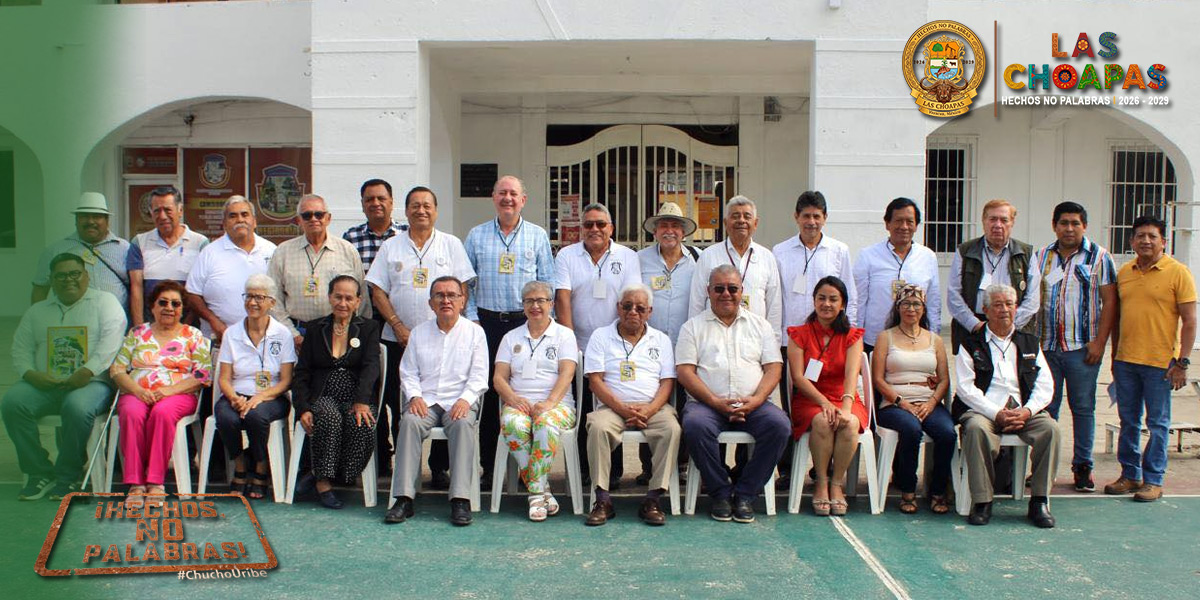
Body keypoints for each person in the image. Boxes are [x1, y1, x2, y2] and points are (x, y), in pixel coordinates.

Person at [367, 186, 476, 488]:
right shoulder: (391, 246)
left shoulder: (451, 244)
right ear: (406, 211)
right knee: (398, 402)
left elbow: (463, 286)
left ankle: (438, 468)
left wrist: (453, 322)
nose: (421, 210)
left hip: (444, 339)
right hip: (396, 337)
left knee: (446, 397)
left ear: (436, 211)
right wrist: (398, 325)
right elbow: (377, 289)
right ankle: (402, 469)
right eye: (415, 205)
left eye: (427, 205)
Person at [4, 253, 126, 500]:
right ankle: (39, 471)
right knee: (13, 403)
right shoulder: (38, 311)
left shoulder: (105, 302)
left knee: (77, 407)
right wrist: (31, 374)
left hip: (91, 382)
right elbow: (20, 348)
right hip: (44, 384)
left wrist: (87, 370)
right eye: (60, 276)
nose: (68, 280)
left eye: (74, 274)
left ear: (86, 276)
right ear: (51, 280)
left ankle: (68, 476)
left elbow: (112, 342)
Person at [677, 265, 789, 523]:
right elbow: (685, 372)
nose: (725, 294)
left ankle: (746, 493)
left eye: (732, 288)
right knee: (694, 426)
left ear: (742, 291)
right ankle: (720, 492)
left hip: (755, 403)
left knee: (780, 426)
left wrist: (757, 400)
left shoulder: (760, 326)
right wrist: (715, 402)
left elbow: (773, 369)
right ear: (708, 292)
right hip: (706, 405)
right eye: (719, 288)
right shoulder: (692, 327)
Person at [464, 175, 555, 488]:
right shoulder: (476, 236)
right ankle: (491, 469)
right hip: (487, 324)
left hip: (524, 324)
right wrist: (473, 318)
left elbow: (547, 282)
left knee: (525, 393)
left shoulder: (537, 235)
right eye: (502, 193)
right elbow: (468, 284)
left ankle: (525, 468)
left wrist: (543, 322)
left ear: (523, 200)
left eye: (513, 194)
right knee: (491, 395)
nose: (508, 199)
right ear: (493, 197)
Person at [1106, 214, 1197, 502]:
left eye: (1152, 236)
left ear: (1163, 241)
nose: (1146, 241)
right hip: (1126, 362)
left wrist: (1182, 362)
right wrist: (1115, 356)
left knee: (1157, 423)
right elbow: (1118, 318)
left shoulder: (1178, 272)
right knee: (1128, 421)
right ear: (1131, 241)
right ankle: (1130, 475)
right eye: (1140, 236)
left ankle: (1153, 480)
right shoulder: (1125, 272)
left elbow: (1191, 321)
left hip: (1161, 365)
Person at [386, 276, 488, 527]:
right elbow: (407, 371)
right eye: (439, 296)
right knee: (409, 422)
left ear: (462, 301)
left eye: (452, 295)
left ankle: (460, 499)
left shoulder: (475, 333)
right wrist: (415, 396)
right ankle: (403, 498)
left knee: (463, 425)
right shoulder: (419, 333)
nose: (446, 300)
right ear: (430, 303)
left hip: (460, 401)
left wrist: (465, 400)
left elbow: (479, 374)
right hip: (427, 401)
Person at [954, 284, 1058, 528]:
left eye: (1009, 305)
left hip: (1024, 411)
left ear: (1016, 308)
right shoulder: (970, 344)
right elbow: (965, 389)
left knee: (1051, 430)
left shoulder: (1030, 342)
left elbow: (1045, 385)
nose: (1004, 310)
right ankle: (982, 501)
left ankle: (1039, 501)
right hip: (985, 411)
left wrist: (1027, 411)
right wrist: (996, 413)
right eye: (998, 305)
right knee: (977, 429)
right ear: (986, 310)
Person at [554, 203, 641, 485]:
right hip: (578, 346)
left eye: (600, 224)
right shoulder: (567, 255)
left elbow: (630, 301)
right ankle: (581, 470)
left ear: (611, 228)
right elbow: (563, 298)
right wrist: (569, 344)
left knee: (611, 407)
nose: (594, 229)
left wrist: (619, 342)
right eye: (588, 224)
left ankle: (611, 472)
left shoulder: (627, 257)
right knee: (582, 412)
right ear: (581, 228)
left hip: (615, 348)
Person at [1033, 201, 1117, 492]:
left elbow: (1110, 303)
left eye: (1075, 223)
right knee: (1046, 411)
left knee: (1083, 408)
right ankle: (1045, 469)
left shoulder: (1100, 258)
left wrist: (1099, 342)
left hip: (1083, 349)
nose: (1069, 228)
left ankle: (1083, 467)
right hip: (1047, 349)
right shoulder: (1042, 256)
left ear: (1084, 226)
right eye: (1064, 223)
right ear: (1054, 225)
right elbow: (1033, 300)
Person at [583, 284, 681, 527]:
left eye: (640, 307)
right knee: (597, 427)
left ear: (649, 311)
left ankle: (653, 498)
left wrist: (648, 410)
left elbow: (667, 382)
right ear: (619, 308)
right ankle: (602, 499)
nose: (633, 312)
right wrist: (622, 409)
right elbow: (595, 381)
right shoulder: (600, 336)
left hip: (653, 407)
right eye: (627, 306)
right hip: (612, 408)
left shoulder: (661, 339)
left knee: (672, 429)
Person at [109, 281, 212, 507]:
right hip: (138, 392)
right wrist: (138, 390)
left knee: (162, 413)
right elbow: (117, 369)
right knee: (131, 413)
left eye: (175, 304)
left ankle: (155, 482)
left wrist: (167, 391)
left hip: (178, 394)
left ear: (182, 309)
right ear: (152, 306)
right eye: (162, 302)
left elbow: (203, 375)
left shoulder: (192, 335)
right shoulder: (137, 333)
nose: (169, 307)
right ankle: (135, 484)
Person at [291, 275, 382, 510]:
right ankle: (323, 483)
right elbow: (301, 373)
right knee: (329, 418)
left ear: (358, 301)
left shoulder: (369, 328)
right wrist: (302, 408)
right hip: (323, 394)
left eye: (349, 298)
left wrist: (362, 401)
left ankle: (333, 473)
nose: (343, 303)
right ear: (330, 297)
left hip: (356, 394)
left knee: (360, 423)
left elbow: (372, 366)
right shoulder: (315, 328)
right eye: (338, 297)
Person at [493, 281, 579, 521]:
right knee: (513, 425)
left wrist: (550, 402)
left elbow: (567, 373)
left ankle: (534, 493)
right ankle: (541, 490)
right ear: (523, 306)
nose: (535, 306)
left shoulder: (565, 335)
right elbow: (499, 378)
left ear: (551, 304)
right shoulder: (511, 337)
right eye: (529, 301)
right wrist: (513, 398)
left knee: (544, 423)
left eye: (541, 300)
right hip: (519, 403)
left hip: (558, 405)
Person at [871, 284, 955, 514]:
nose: (911, 308)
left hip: (928, 402)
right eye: (905, 303)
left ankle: (938, 491)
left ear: (924, 308)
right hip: (894, 404)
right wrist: (901, 402)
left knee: (947, 433)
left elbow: (944, 379)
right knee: (910, 429)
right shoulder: (885, 337)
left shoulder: (935, 340)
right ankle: (907, 490)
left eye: (916, 304)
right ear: (897, 308)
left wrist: (931, 403)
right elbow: (878, 379)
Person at [787, 276, 867, 516]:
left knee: (849, 422)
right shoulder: (798, 334)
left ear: (842, 304)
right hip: (810, 399)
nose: (827, 304)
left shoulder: (852, 336)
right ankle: (820, 482)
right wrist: (823, 403)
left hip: (845, 396)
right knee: (822, 421)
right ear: (814, 301)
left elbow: (852, 375)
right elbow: (799, 378)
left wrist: (845, 406)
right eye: (821, 298)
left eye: (833, 299)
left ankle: (836, 483)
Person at [214, 274, 296, 499]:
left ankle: (260, 468)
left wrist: (261, 397)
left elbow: (286, 380)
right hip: (237, 392)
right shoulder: (232, 333)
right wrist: (234, 398)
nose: (253, 302)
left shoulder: (282, 334)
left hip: (271, 396)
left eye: (259, 297)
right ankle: (240, 464)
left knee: (255, 417)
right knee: (226, 417)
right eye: (249, 296)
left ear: (272, 302)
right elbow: (224, 378)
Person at [636, 201, 699, 484]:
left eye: (675, 225)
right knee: (647, 401)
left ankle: (682, 464)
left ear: (684, 231)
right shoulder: (639, 260)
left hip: (687, 346)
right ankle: (648, 467)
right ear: (655, 231)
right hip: (648, 347)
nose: (669, 230)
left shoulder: (698, 259)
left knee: (685, 405)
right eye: (664, 225)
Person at [267, 194, 365, 346]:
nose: (314, 219)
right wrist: (293, 335)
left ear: (328, 218)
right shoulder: (283, 252)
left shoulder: (347, 250)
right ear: (299, 220)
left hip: (339, 334)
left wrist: (354, 332)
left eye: (319, 214)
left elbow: (362, 297)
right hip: (297, 333)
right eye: (307, 215)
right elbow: (273, 299)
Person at [947, 199, 1040, 353]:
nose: (998, 225)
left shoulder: (1026, 253)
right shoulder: (965, 251)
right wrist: (975, 324)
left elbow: (1033, 299)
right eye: (992, 219)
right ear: (984, 221)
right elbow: (953, 295)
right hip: (973, 329)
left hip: (1014, 330)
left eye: (1004, 220)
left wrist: (1009, 325)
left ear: (1012, 223)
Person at [688, 195, 782, 347]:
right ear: (725, 223)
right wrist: (696, 341)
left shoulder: (767, 257)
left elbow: (774, 306)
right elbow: (696, 302)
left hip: (755, 340)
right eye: (735, 216)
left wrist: (773, 344)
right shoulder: (709, 255)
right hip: (714, 340)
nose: (741, 221)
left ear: (756, 223)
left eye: (747, 216)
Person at [854, 197, 940, 354]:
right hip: (874, 340)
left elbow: (933, 303)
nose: (904, 227)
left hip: (916, 341)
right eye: (898, 221)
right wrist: (855, 338)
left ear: (916, 225)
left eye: (909, 221)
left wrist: (933, 338)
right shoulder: (868, 256)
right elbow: (858, 301)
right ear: (887, 224)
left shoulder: (928, 257)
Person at [186, 196, 277, 341]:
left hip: (265, 339)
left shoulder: (271, 251)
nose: (240, 220)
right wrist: (213, 320)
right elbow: (192, 294)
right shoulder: (209, 253)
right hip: (220, 338)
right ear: (224, 224)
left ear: (254, 221)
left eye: (244, 214)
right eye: (233, 216)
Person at [126, 186, 210, 326]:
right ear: (151, 213)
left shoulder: (200, 243)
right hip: (151, 329)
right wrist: (139, 330)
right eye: (157, 211)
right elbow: (136, 288)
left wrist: (184, 330)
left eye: (168, 210)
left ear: (180, 210)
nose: (162, 216)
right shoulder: (139, 243)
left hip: (188, 329)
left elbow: (201, 290)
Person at [32, 193, 131, 310]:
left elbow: (136, 287)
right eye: (84, 216)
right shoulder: (56, 251)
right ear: (76, 220)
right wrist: (39, 320)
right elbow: (40, 289)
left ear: (107, 220)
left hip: (117, 323)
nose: (90, 221)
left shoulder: (124, 248)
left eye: (97, 216)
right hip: (72, 323)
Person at [342, 177, 407, 320]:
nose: (375, 203)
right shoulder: (351, 237)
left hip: (400, 316)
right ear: (362, 204)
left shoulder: (407, 234)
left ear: (391, 202)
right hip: (363, 316)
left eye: (381, 198)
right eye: (369, 199)